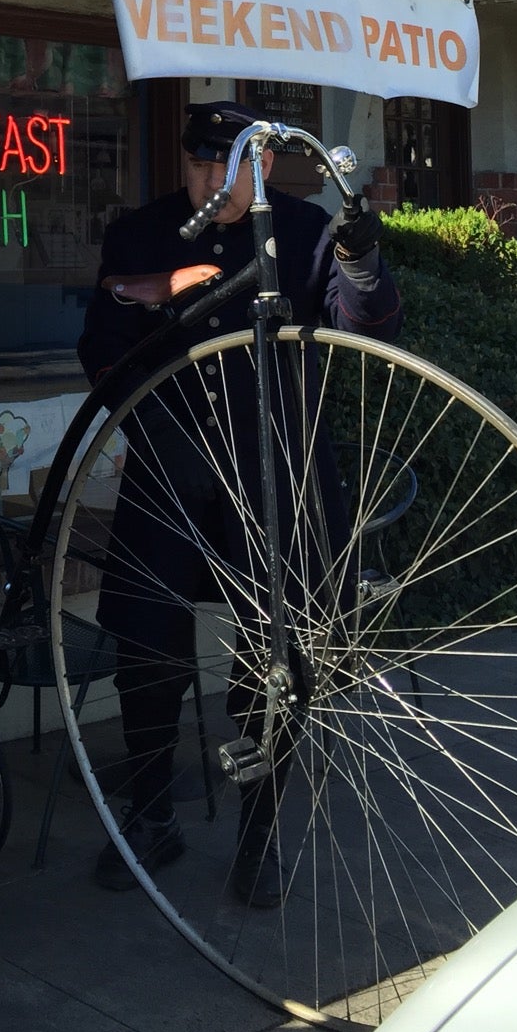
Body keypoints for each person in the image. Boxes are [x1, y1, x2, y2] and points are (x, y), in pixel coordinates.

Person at [78, 100, 401, 905]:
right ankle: (151, 817)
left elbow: (369, 325)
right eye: (200, 165)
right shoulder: (141, 235)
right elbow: (103, 350)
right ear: (182, 164)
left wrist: (362, 263)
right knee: (145, 647)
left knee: (274, 660)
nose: (213, 183)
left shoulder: (305, 231)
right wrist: (155, 427)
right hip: (171, 467)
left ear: (259, 168)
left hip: (277, 475)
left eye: (232, 167)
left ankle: (261, 835)